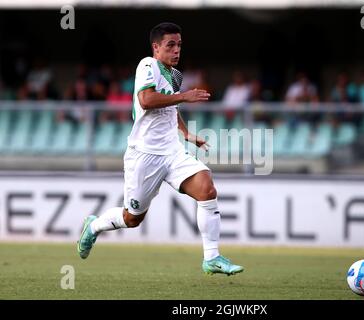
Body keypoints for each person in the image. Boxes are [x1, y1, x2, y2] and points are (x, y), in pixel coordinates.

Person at [77, 22, 244, 276]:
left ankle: (212, 257)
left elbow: (169, 108)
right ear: (156, 48)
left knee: (207, 189)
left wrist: (185, 133)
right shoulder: (147, 65)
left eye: (179, 45)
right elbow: (147, 99)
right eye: (170, 45)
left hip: (172, 151)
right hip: (144, 154)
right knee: (132, 218)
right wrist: (184, 96)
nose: (177, 50)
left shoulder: (174, 75)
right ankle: (94, 226)